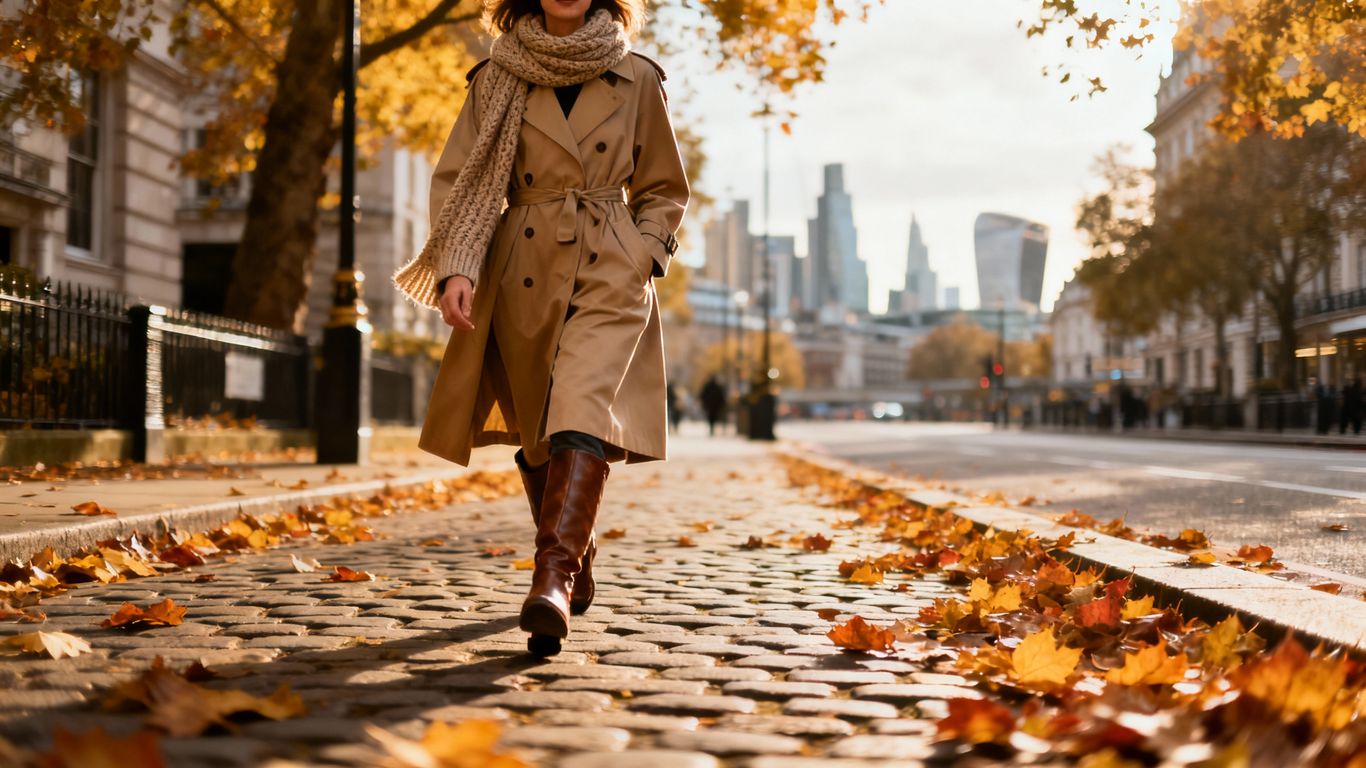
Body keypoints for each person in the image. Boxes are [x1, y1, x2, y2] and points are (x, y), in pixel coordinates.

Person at [392, 0, 688, 657]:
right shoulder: (496, 77)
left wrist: (643, 254)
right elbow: (460, 183)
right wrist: (457, 267)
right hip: (521, 267)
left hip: (610, 265)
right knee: (538, 435)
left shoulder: (637, 76)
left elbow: (664, 188)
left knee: (581, 408)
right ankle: (577, 555)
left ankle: (551, 577)